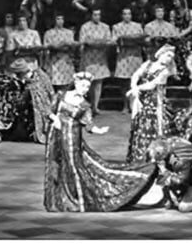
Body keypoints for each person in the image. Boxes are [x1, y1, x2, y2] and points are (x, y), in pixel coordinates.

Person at [43, 71, 157, 212]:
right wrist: (55, 119)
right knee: (57, 164)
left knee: (74, 165)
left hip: (73, 137)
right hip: (57, 135)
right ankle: (58, 198)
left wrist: (99, 130)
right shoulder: (61, 95)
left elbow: (89, 125)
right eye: (83, 86)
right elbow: (48, 110)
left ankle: (73, 197)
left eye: (87, 87)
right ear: (76, 84)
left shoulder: (84, 104)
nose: (85, 89)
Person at [126, 44, 177, 162]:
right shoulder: (148, 64)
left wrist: (135, 89)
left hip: (156, 102)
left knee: (157, 126)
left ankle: (158, 157)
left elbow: (152, 85)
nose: (169, 58)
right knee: (141, 125)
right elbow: (136, 75)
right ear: (160, 54)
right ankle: (139, 157)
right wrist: (134, 86)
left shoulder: (165, 71)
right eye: (168, 55)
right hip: (143, 100)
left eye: (171, 57)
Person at [78, 8, 113, 115]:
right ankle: (88, 105)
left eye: (99, 15)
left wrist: (97, 42)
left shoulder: (105, 27)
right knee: (88, 82)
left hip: (100, 58)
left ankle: (95, 107)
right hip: (89, 57)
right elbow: (82, 41)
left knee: (98, 82)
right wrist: (92, 42)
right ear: (91, 16)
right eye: (95, 15)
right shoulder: (85, 27)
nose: (97, 17)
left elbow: (109, 41)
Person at [111, 8, 145, 113]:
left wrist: (133, 40)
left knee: (136, 81)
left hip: (135, 56)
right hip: (123, 56)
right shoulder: (116, 27)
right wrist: (122, 40)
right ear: (122, 15)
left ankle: (135, 104)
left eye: (129, 14)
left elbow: (142, 39)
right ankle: (125, 105)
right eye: (125, 14)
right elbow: (113, 40)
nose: (127, 16)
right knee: (124, 82)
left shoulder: (137, 26)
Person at [43, 13, 79, 91]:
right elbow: (46, 47)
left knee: (67, 85)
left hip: (66, 60)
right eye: (58, 19)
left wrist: (67, 45)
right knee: (53, 85)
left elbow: (72, 46)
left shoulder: (69, 33)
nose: (60, 21)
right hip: (53, 60)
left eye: (62, 19)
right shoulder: (48, 33)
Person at [170, 0, 192, 84]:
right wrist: (175, 33)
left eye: (176, 1)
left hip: (188, 36)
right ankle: (178, 75)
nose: (174, 3)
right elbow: (172, 25)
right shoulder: (173, 13)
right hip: (177, 36)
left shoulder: (190, 12)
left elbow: (191, 26)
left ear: (181, 1)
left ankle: (190, 74)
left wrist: (182, 34)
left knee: (188, 47)